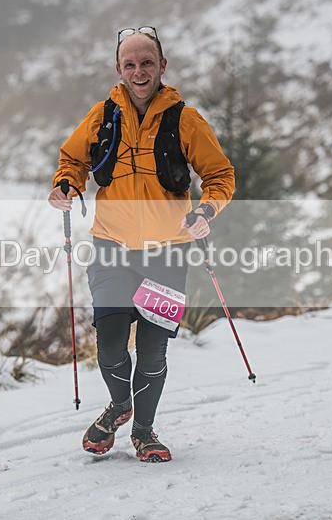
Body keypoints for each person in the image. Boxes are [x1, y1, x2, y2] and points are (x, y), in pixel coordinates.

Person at [48, 26, 235, 462]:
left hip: (168, 251)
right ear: (119, 69)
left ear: (162, 66)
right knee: (111, 341)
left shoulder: (185, 120)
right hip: (110, 247)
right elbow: (73, 160)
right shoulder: (101, 116)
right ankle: (120, 405)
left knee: (152, 351)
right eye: (130, 64)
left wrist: (205, 211)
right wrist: (65, 185)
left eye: (147, 62)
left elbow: (220, 176)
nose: (138, 71)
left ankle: (145, 433)